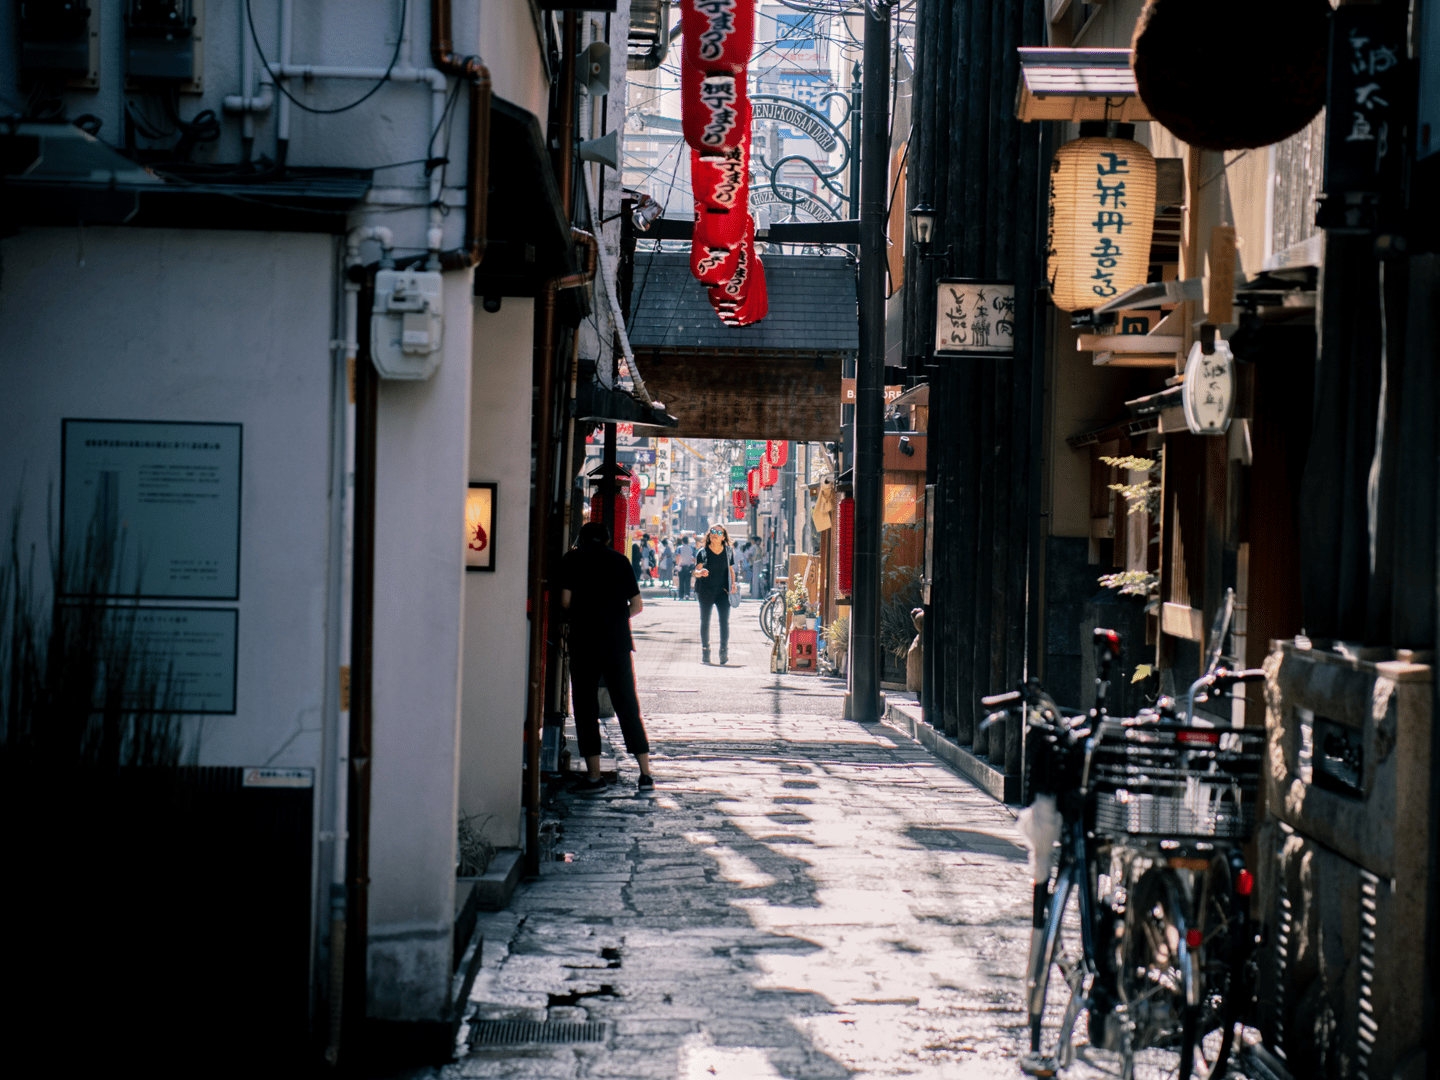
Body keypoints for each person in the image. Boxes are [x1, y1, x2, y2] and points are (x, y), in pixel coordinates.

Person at [560, 521, 654, 793]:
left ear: (582, 538)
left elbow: (565, 602)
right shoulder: (620, 560)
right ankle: (645, 774)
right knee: (626, 705)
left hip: (584, 642)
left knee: (585, 708)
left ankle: (594, 777)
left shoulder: (572, 559)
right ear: (607, 539)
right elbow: (636, 605)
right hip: (617, 643)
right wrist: (612, 616)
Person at [693, 522, 737, 665]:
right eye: (713, 531)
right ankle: (706, 650)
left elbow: (731, 570)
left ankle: (724, 651)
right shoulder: (703, 552)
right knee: (705, 622)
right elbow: (695, 571)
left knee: (724, 622)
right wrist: (700, 572)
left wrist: (733, 585)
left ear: (723, 536)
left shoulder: (728, 551)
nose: (715, 534)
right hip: (705, 591)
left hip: (723, 592)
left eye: (719, 532)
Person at [675, 535, 696, 600]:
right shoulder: (691, 548)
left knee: (681, 581)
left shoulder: (679, 548)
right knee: (688, 581)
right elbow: (694, 558)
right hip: (689, 566)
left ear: (682, 541)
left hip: (681, 566)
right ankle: (687, 594)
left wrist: (677, 565)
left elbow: (678, 557)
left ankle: (681, 596)